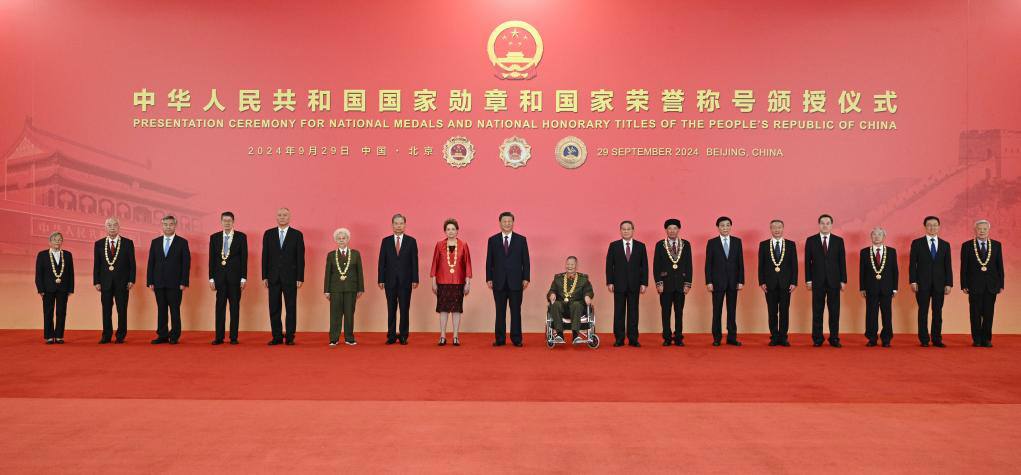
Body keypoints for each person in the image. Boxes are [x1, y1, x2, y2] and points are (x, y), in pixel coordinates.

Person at [486, 211, 530, 347]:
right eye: (504, 221)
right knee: (500, 311)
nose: (507, 224)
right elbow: (489, 261)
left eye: (509, 221)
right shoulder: (492, 240)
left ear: (513, 223)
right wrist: (489, 278)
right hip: (498, 281)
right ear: (500, 223)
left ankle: (516, 339)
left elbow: (526, 261)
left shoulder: (521, 240)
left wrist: (526, 278)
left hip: (516, 281)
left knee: (516, 311)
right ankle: (500, 339)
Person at [262, 208, 305, 346]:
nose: (282, 217)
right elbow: (265, 256)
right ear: (276, 217)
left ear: (289, 217)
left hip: (291, 277)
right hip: (273, 277)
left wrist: (300, 277)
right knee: (274, 307)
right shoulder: (268, 234)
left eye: (285, 215)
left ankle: (290, 336)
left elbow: (300, 257)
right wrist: (265, 276)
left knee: (291, 307)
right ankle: (277, 336)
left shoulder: (297, 235)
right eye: (279, 215)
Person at [909, 216, 952, 347]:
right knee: (923, 311)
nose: (932, 227)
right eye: (929, 225)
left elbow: (947, 266)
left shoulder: (945, 245)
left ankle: (937, 339)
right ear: (925, 227)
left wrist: (948, 283)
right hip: (922, 283)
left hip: (940, 284)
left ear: (939, 227)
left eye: (935, 225)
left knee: (937, 312)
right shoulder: (917, 243)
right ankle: (924, 339)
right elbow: (912, 264)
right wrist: (913, 281)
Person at [804, 214, 847, 347]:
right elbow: (807, 262)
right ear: (819, 225)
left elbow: (842, 262)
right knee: (817, 311)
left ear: (831, 225)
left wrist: (843, 280)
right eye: (822, 223)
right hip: (817, 281)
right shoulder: (811, 240)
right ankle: (817, 338)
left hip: (834, 281)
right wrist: (808, 280)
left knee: (834, 311)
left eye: (827, 223)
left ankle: (834, 338)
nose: (825, 225)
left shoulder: (838, 240)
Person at [147, 215, 191, 344]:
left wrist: (184, 281)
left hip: (176, 283)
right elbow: (151, 263)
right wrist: (150, 281)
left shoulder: (182, 242)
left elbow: (186, 263)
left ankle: (175, 336)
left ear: (175, 225)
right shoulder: (155, 242)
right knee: (161, 309)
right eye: (165, 224)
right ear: (162, 225)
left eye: (171, 224)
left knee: (174, 309)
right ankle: (162, 335)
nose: (168, 226)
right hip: (158, 282)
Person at [960, 219, 1004, 348]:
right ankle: (977, 339)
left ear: (988, 230)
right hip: (974, 285)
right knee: (975, 313)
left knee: (989, 313)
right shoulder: (967, 245)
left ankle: (987, 339)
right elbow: (964, 267)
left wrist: (1001, 284)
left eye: (985, 229)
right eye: (980, 229)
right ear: (975, 230)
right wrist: (964, 284)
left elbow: (999, 266)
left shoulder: (996, 245)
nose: (982, 231)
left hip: (991, 285)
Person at [606, 220, 648, 347]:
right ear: (620, 231)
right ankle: (619, 338)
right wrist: (610, 281)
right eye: (623, 229)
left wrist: (644, 283)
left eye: (628, 229)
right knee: (618, 312)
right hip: (618, 284)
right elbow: (609, 265)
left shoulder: (641, 246)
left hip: (635, 284)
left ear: (633, 230)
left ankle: (633, 338)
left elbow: (644, 266)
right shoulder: (614, 245)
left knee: (633, 311)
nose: (626, 231)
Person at [430, 218, 472, 346]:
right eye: (448, 229)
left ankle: (455, 336)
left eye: (453, 229)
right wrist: (433, 281)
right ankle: (442, 336)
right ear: (444, 231)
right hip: (442, 281)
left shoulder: (464, 245)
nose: (451, 231)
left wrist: (468, 282)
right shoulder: (439, 245)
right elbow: (434, 264)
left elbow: (468, 264)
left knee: (456, 310)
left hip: (458, 282)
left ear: (457, 230)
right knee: (443, 310)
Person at [378, 213, 419, 345]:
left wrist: (415, 279)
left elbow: (414, 261)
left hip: (406, 281)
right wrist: (381, 279)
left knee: (404, 309)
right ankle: (391, 335)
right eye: (396, 223)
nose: (398, 226)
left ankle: (403, 336)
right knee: (391, 309)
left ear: (405, 225)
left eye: (401, 223)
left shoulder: (411, 241)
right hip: (389, 281)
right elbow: (381, 262)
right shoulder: (386, 241)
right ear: (392, 225)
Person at [93, 217, 135, 344]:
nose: (112, 227)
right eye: (109, 225)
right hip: (105, 283)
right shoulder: (99, 244)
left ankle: (121, 335)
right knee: (106, 310)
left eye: (115, 225)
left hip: (123, 283)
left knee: (122, 309)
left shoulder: (128, 243)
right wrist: (96, 281)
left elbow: (132, 264)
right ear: (105, 228)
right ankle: (106, 335)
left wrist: (131, 280)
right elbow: (97, 264)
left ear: (119, 227)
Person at [209, 211, 247, 345]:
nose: (227, 223)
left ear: (233, 222)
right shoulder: (214, 237)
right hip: (219, 279)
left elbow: (244, 258)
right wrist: (211, 278)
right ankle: (219, 337)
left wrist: (243, 278)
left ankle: (233, 337)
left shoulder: (241, 237)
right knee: (219, 307)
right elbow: (212, 259)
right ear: (221, 222)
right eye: (224, 220)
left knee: (234, 307)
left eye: (229, 221)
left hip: (235, 279)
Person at [705, 216, 745, 346]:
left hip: (733, 282)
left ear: (731, 227)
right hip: (717, 282)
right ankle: (717, 337)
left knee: (732, 310)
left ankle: (732, 337)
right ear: (718, 227)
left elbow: (740, 263)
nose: (725, 228)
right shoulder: (712, 243)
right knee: (717, 310)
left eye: (728, 225)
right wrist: (709, 281)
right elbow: (708, 264)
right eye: (722, 225)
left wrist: (741, 280)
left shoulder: (737, 242)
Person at [758, 219, 798, 346]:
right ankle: (774, 336)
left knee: (784, 311)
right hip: (769, 284)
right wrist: (762, 282)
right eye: (774, 227)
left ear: (783, 228)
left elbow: (794, 265)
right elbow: (761, 265)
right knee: (772, 311)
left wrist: (794, 282)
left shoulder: (791, 244)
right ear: (770, 229)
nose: (777, 230)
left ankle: (783, 337)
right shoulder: (764, 245)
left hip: (786, 284)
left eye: (779, 227)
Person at [653, 218, 692, 346]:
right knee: (665, 312)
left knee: (679, 312)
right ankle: (667, 337)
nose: (672, 231)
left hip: (680, 284)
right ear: (666, 230)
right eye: (669, 228)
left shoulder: (686, 244)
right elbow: (656, 266)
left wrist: (687, 283)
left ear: (679, 229)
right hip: (665, 284)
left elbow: (689, 265)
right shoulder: (660, 244)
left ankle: (679, 337)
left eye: (675, 228)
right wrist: (659, 283)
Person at [324, 228, 364, 346]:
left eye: (344, 238)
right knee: (335, 313)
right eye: (339, 238)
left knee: (349, 313)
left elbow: (359, 272)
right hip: (335, 288)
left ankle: (349, 338)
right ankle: (334, 338)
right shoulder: (331, 255)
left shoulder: (355, 254)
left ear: (348, 239)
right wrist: (326, 290)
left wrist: (360, 288)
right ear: (336, 240)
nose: (341, 240)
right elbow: (327, 273)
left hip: (351, 288)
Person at [860, 227, 898, 347]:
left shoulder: (891, 251)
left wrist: (895, 288)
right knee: (871, 314)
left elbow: (894, 271)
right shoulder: (865, 252)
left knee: (887, 314)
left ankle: (886, 338)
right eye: (874, 234)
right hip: (870, 288)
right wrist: (862, 287)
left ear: (884, 237)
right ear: (871, 237)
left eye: (879, 234)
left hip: (887, 288)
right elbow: (862, 271)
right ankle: (872, 338)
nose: (877, 237)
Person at [35, 232, 74, 344]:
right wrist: (40, 289)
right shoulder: (42, 255)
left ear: (62, 242)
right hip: (47, 289)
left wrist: (70, 289)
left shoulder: (67, 255)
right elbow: (39, 274)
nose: (57, 241)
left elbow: (71, 273)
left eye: (60, 239)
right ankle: (49, 336)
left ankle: (59, 336)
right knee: (48, 312)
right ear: (49, 242)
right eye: (55, 239)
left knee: (61, 312)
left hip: (63, 288)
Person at [547, 256, 594, 343]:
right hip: (561, 308)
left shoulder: (583, 279)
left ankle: (576, 335)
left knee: (576, 304)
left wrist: (587, 296)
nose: (570, 266)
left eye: (572, 264)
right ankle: (559, 335)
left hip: (577, 308)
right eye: (568, 264)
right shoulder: (558, 278)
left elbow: (589, 291)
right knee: (555, 304)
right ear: (565, 265)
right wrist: (552, 294)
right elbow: (552, 290)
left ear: (576, 266)